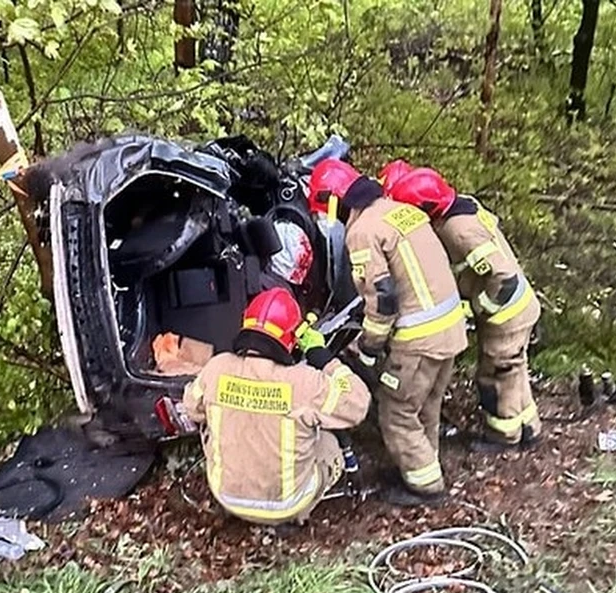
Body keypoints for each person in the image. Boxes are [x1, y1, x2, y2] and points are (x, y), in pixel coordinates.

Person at [308, 159, 467, 506]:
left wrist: (368, 345)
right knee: (424, 407)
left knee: (396, 411)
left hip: (419, 339)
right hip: (450, 329)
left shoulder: (362, 231)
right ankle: (421, 466)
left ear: (333, 201)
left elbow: (383, 298)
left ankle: (426, 487)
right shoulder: (400, 211)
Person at [384, 167, 542, 451]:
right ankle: (529, 428)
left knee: (495, 375)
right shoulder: (465, 205)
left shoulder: (458, 231)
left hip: (506, 315)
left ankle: (504, 437)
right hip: (519, 306)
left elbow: (502, 277)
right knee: (515, 370)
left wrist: (480, 307)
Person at [183, 289, 370, 525]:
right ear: (291, 339)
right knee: (330, 443)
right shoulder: (304, 382)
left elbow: (192, 409)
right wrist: (323, 358)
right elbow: (357, 403)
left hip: (226, 496)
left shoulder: (216, 368)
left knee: (212, 421)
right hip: (285, 506)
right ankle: (297, 516)